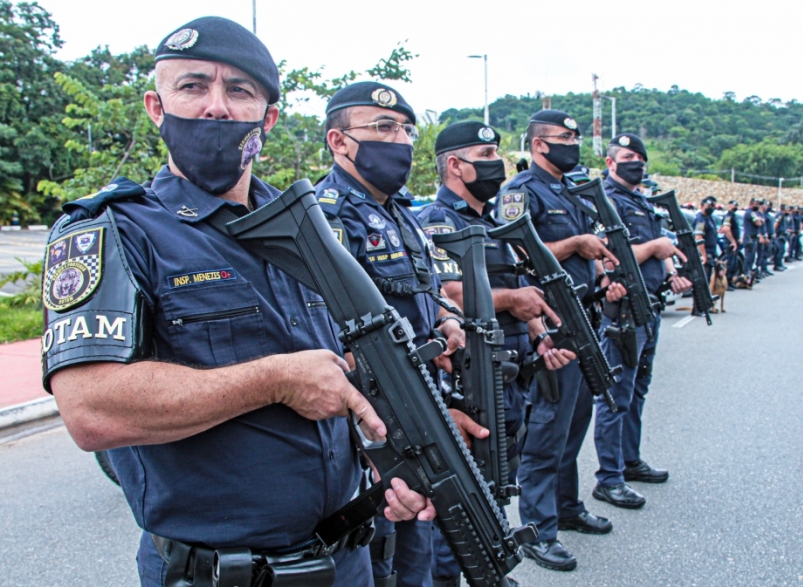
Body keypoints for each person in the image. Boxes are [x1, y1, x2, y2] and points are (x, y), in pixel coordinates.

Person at [40, 18, 433, 587]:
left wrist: (387, 455)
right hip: (217, 574)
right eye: (193, 86)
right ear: (157, 105)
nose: (216, 108)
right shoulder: (114, 229)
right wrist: (273, 380)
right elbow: (91, 409)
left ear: (267, 117)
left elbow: (351, 370)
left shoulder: (313, 228)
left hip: (347, 559)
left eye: (240, 91)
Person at [317, 81, 475, 587]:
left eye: (406, 129)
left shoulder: (403, 213)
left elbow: (428, 289)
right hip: (372, 415)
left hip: (420, 400)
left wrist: (447, 317)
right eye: (384, 128)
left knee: (420, 548)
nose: (401, 140)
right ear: (339, 142)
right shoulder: (326, 217)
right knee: (384, 551)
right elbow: (325, 327)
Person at [416, 120, 576, 587]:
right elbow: (448, 292)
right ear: (454, 165)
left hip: (513, 367)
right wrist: (514, 302)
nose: (495, 165)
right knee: (463, 489)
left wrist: (538, 330)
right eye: (484, 155)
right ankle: (455, 573)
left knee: (497, 478)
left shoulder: (493, 222)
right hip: (472, 371)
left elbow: (514, 284)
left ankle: (486, 565)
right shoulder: (438, 222)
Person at [495, 109, 623, 572]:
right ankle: (537, 530)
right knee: (547, 432)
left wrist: (605, 274)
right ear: (538, 145)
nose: (573, 143)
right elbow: (514, 250)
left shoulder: (570, 190)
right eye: (563, 137)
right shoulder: (519, 192)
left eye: (574, 136)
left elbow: (591, 252)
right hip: (549, 325)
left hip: (585, 317)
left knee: (575, 424)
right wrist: (575, 245)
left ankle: (566, 509)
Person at [591, 133, 692, 517]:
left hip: (648, 306)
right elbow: (605, 255)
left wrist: (671, 273)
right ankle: (609, 478)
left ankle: (629, 460)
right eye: (628, 156)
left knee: (637, 391)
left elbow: (658, 247)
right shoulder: (606, 201)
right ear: (611, 162)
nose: (637, 162)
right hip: (623, 312)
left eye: (641, 157)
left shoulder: (640, 201)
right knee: (615, 396)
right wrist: (654, 249)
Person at [694, 195, 719, 279]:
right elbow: (699, 237)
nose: (711, 208)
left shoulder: (710, 218)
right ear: (702, 206)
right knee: (703, 279)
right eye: (708, 206)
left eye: (713, 206)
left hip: (711, 253)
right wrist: (703, 255)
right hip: (705, 253)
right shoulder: (701, 220)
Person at [721, 200, 741, 290]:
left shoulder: (734, 216)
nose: (735, 206)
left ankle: (730, 281)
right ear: (729, 206)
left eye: (736, 205)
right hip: (730, 243)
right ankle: (726, 283)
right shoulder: (728, 216)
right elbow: (726, 229)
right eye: (733, 205)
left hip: (735, 242)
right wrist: (732, 241)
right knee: (729, 263)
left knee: (734, 263)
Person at [741, 198, 761, 279]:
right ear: (751, 204)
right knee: (749, 258)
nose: (757, 206)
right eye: (756, 204)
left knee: (752, 257)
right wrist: (760, 220)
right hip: (750, 238)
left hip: (753, 238)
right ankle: (746, 275)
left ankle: (749, 274)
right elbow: (758, 223)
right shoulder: (750, 213)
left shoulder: (752, 213)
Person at [772, 204, 788, 272]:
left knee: (782, 250)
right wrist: (774, 232)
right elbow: (776, 224)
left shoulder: (783, 215)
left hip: (782, 235)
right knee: (779, 250)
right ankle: (777, 265)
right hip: (779, 236)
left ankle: (780, 264)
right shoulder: (780, 215)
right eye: (787, 208)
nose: (788, 210)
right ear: (784, 209)